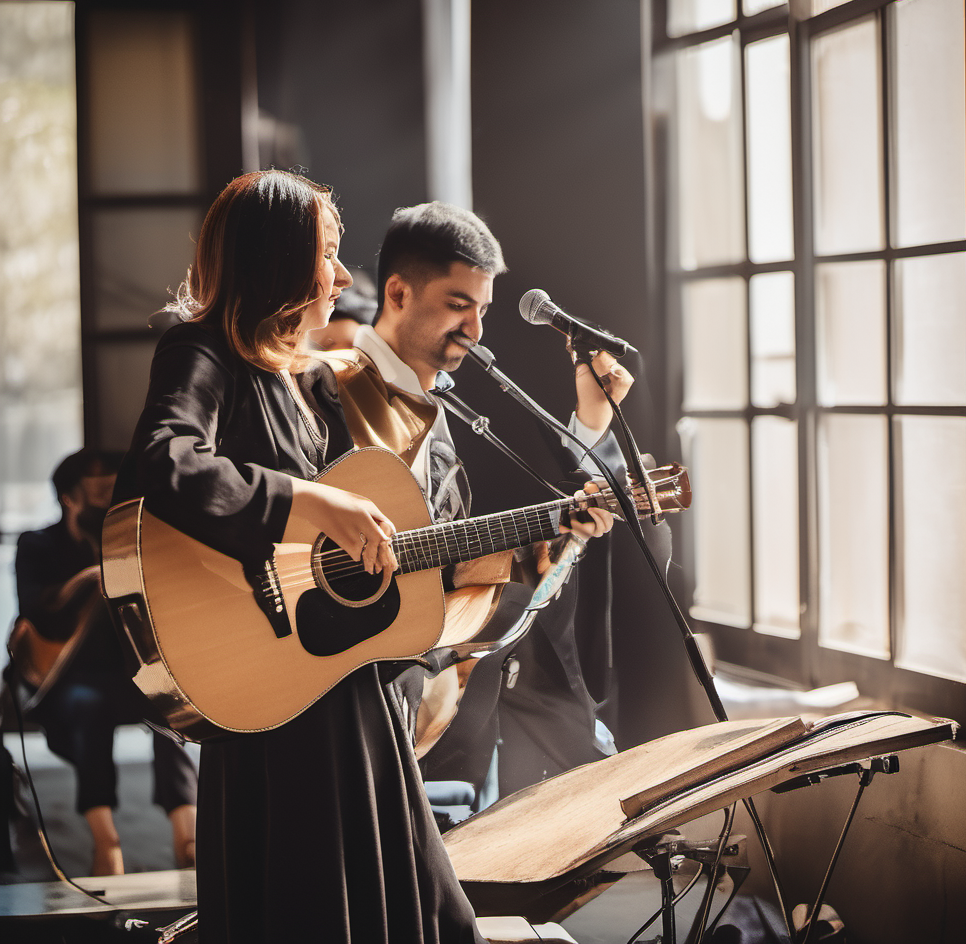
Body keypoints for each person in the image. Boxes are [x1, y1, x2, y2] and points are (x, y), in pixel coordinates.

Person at [111, 171, 484, 943]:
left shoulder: (307, 382)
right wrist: (310, 501)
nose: (345, 278)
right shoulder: (202, 351)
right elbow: (166, 460)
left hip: (342, 675)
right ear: (281, 261)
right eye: (329, 252)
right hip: (269, 689)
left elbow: (382, 510)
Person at [319, 201, 632, 802]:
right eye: (458, 305)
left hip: (428, 677)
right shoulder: (329, 384)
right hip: (344, 681)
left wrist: (552, 539)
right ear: (399, 293)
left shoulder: (440, 401)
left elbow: (447, 558)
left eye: (483, 310)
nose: (476, 330)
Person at [11, 447, 198, 875]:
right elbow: (34, 611)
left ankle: (186, 836)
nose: (105, 499)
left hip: (129, 672)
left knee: (172, 706)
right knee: (88, 707)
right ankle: (105, 842)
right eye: (94, 491)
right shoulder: (37, 544)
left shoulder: (133, 540)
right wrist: (88, 579)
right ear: (68, 497)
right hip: (68, 677)